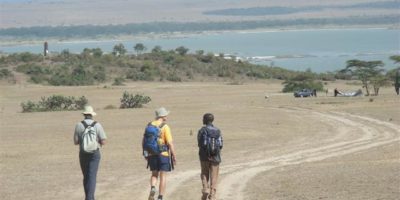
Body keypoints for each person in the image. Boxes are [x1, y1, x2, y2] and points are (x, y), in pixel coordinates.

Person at [74, 105, 107, 200]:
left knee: (86, 176)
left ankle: (88, 197)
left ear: (84, 114)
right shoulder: (97, 125)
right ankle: (90, 198)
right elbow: (104, 141)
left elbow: (76, 142)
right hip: (94, 154)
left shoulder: (78, 125)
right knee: (92, 176)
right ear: (92, 115)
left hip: (83, 153)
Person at [145, 107, 176, 200]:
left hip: (151, 153)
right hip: (163, 154)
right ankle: (160, 197)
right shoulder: (165, 126)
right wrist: (174, 155)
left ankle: (153, 187)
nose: (167, 116)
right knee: (163, 176)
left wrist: (146, 154)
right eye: (166, 115)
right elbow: (170, 143)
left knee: (154, 174)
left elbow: (144, 141)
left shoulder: (149, 125)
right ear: (163, 116)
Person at [197, 113, 223, 200]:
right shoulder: (218, 130)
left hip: (204, 157)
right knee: (214, 176)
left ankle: (205, 189)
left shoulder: (202, 130)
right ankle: (212, 195)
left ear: (205, 120)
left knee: (204, 173)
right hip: (216, 157)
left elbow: (199, 144)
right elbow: (220, 145)